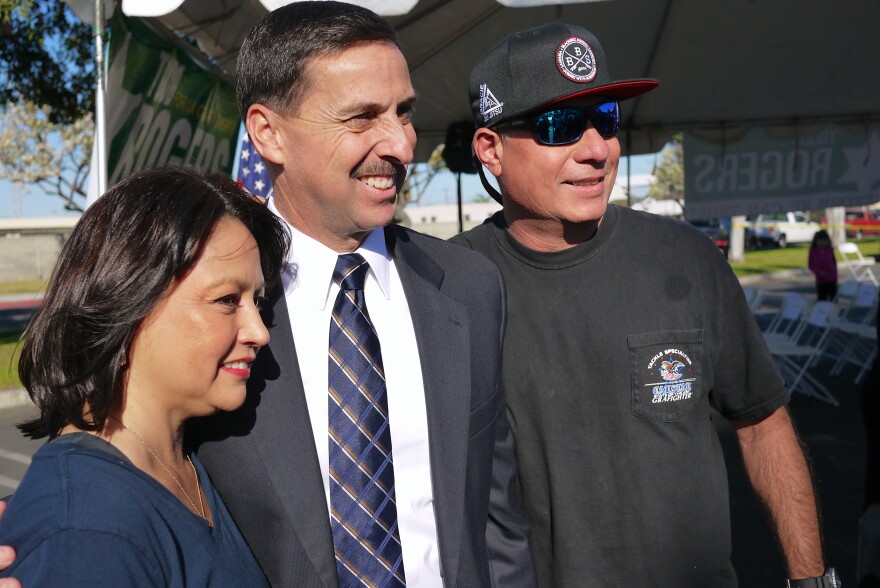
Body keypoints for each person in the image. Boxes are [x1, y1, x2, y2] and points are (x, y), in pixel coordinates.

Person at [452, 23, 830, 587]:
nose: (597, 149)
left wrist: (812, 580)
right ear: (491, 150)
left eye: (606, 119)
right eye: (560, 125)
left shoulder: (687, 258)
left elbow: (761, 422)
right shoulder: (454, 288)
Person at [187, 3, 535, 587]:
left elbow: (497, 520)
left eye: (404, 113)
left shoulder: (470, 288)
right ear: (268, 132)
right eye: (361, 118)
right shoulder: (204, 300)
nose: (399, 144)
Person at [0, 166, 289, 586]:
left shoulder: (187, 459)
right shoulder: (86, 531)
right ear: (128, 301)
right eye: (227, 299)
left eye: (257, 303)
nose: (260, 333)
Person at [808, 229, 838, 301]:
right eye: (820, 240)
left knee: (833, 297)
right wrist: (818, 272)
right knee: (822, 298)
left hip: (832, 277)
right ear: (815, 241)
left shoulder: (829, 250)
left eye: (824, 240)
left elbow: (834, 262)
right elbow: (810, 264)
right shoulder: (813, 251)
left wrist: (835, 273)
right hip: (820, 279)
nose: (822, 243)